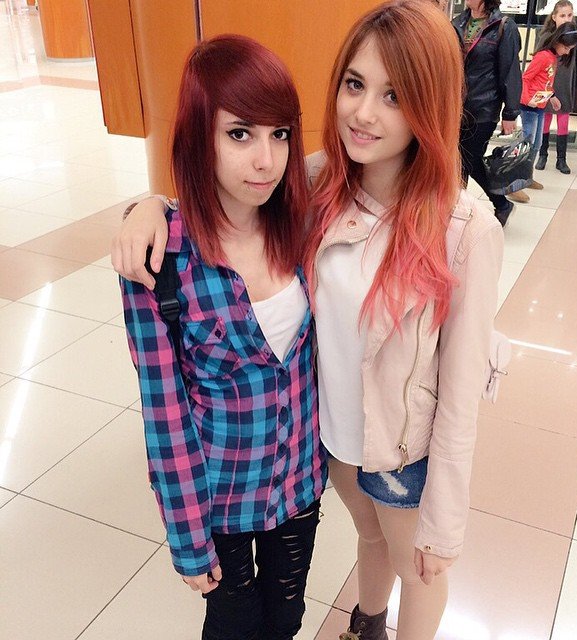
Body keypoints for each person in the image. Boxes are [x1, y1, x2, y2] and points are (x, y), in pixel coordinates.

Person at [112, 2, 504, 639]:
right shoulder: (320, 184)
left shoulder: (462, 227)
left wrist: (446, 521)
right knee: (367, 541)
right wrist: (147, 206)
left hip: (401, 451)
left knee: (417, 569)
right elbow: (222, 193)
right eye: (354, 84)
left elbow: (462, 393)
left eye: (394, 96)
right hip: (330, 441)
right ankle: (366, 624)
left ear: (429, 105)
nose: (364, 113)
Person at [119, 35, 326, 640]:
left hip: (299, 482)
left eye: (279, 134)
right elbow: (164, 411)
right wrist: (187, 537)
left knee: (286, 617)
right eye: (240, 134)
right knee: (234, 625)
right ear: (198, 138)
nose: (266, 160)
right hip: (221, 496)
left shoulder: (303, 224)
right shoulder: (161, 260)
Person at [452, 0, 522, 227]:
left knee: (470, 159)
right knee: (456, 161)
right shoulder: (457, 23)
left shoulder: (503, 26)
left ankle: (501, 203)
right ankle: (456, 207)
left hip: (484, 106)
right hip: (455, 107)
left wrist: (510, 113)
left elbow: (510, 71)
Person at [508, 22, 577, 202]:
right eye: (566, 48)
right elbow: (526, 78)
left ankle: (526, 177)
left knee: (537, 143)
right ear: (558, 41)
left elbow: (545, 81)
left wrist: (552, 96)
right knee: (526, 142)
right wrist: (527, 100)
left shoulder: (553, 58)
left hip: (540, 105)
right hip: (529, 106)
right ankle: (514, 183)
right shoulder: (543, 56)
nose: (567, 52)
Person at [535, 1, 577, 174]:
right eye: (562, 15)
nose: (566, 19)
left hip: (565, 83)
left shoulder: (576, 34)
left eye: (569, 15)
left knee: (563, 119)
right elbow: (538, 58)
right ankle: (543, 154)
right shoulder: (546, 35)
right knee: (545, 118)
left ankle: (561, 159)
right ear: (554, 17)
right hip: (547, 82)